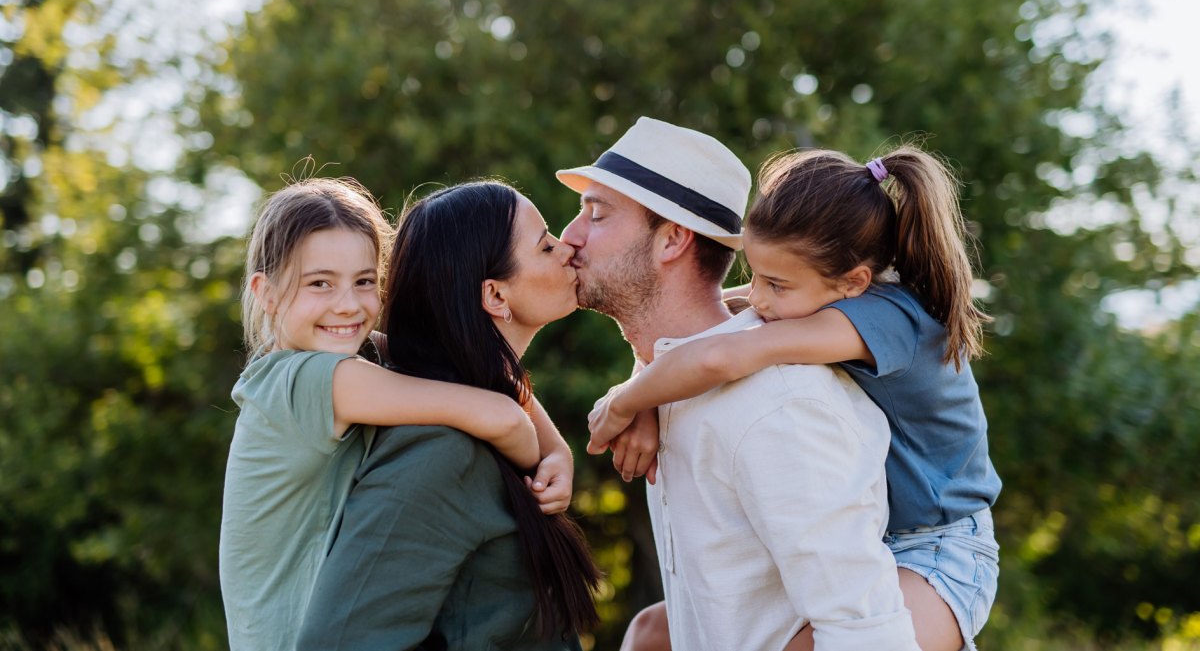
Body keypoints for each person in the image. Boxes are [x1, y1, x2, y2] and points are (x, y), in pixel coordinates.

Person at [587, 146, 1003, 651]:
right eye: (755, 274)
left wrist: (626, 402)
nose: (758, 297)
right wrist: (653, 391)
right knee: (651, 633)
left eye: (776, 284)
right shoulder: (826, 293)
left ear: (855, 282)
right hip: (885, 534)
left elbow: (722, 355)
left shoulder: (890, 320)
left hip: (941, 552)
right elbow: (716, 321)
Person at [218, 177, 566, 651]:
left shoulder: (351, 359)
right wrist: (535, 462)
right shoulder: (305, 380)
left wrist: (558, 452)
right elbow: (499, 413)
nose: (347, 305)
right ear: (267, 292)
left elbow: (493, 379)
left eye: (364, 281)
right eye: (320, 283)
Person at [297, 181, 601, 650]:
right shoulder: (440, 451)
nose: (567, 249)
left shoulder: (483, 410)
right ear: (495, 296)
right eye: (545, 246)